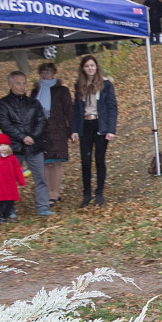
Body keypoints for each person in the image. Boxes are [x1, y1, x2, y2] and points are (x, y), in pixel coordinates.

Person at [0, 71, 54, 217]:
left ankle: (43, 207)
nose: (22, 86)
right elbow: (5, 124)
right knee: (9, 179)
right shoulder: (3, 103)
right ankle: (9, 208)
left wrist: (33, 137)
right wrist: (22, 137)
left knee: (41, 177)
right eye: (18, 83)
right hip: (14, 147)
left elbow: (41, 121)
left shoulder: (34, 103)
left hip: (34, 146)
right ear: (10, 84)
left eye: (24, 83)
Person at [71, 56, 118, 208]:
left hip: (100, 124)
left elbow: (112, 107)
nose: (90, 68)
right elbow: (76, 110)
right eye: (87, 66)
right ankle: (86, 194)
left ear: (96, 67)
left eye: (92, 65)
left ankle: (99, 193)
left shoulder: (105, 84)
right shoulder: (79, 85)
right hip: (85, 124)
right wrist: (75, 130)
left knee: (99, 160)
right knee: (85, 161)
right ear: (83, 69)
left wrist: (111, 129)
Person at [30, 62, 72, 207]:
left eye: (48, 72)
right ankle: (47, 192)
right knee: (45, 163)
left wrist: (72, 129)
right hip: (41, 131)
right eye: (42, 72)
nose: (45, 75)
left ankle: (55, 192)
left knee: (56, 161)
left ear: (54, 73)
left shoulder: (61, 90)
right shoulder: (35, 91)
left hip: (58, 129)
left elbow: (69, 110)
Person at [0, 133, 26, 224]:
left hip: (10, 185)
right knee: (0, 202)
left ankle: (6, 215)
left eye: (5, 145)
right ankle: (0, 216)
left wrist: (21, 181)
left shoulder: (12, 158)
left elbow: (18, 170)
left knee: (10, 202)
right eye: (0, 145)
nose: (3, 147)